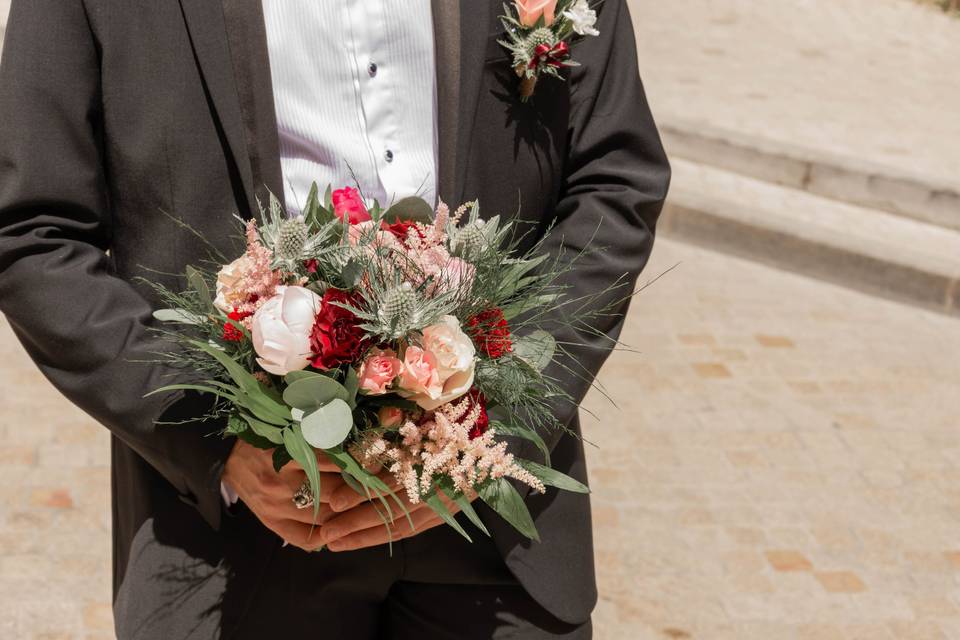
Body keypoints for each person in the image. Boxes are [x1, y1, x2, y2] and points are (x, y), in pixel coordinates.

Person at [0, 0, 669, 637]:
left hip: (495, 535)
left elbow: (614, 177)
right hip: (241, 535)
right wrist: (212, 440)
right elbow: (32, 231)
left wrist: (495, 428)